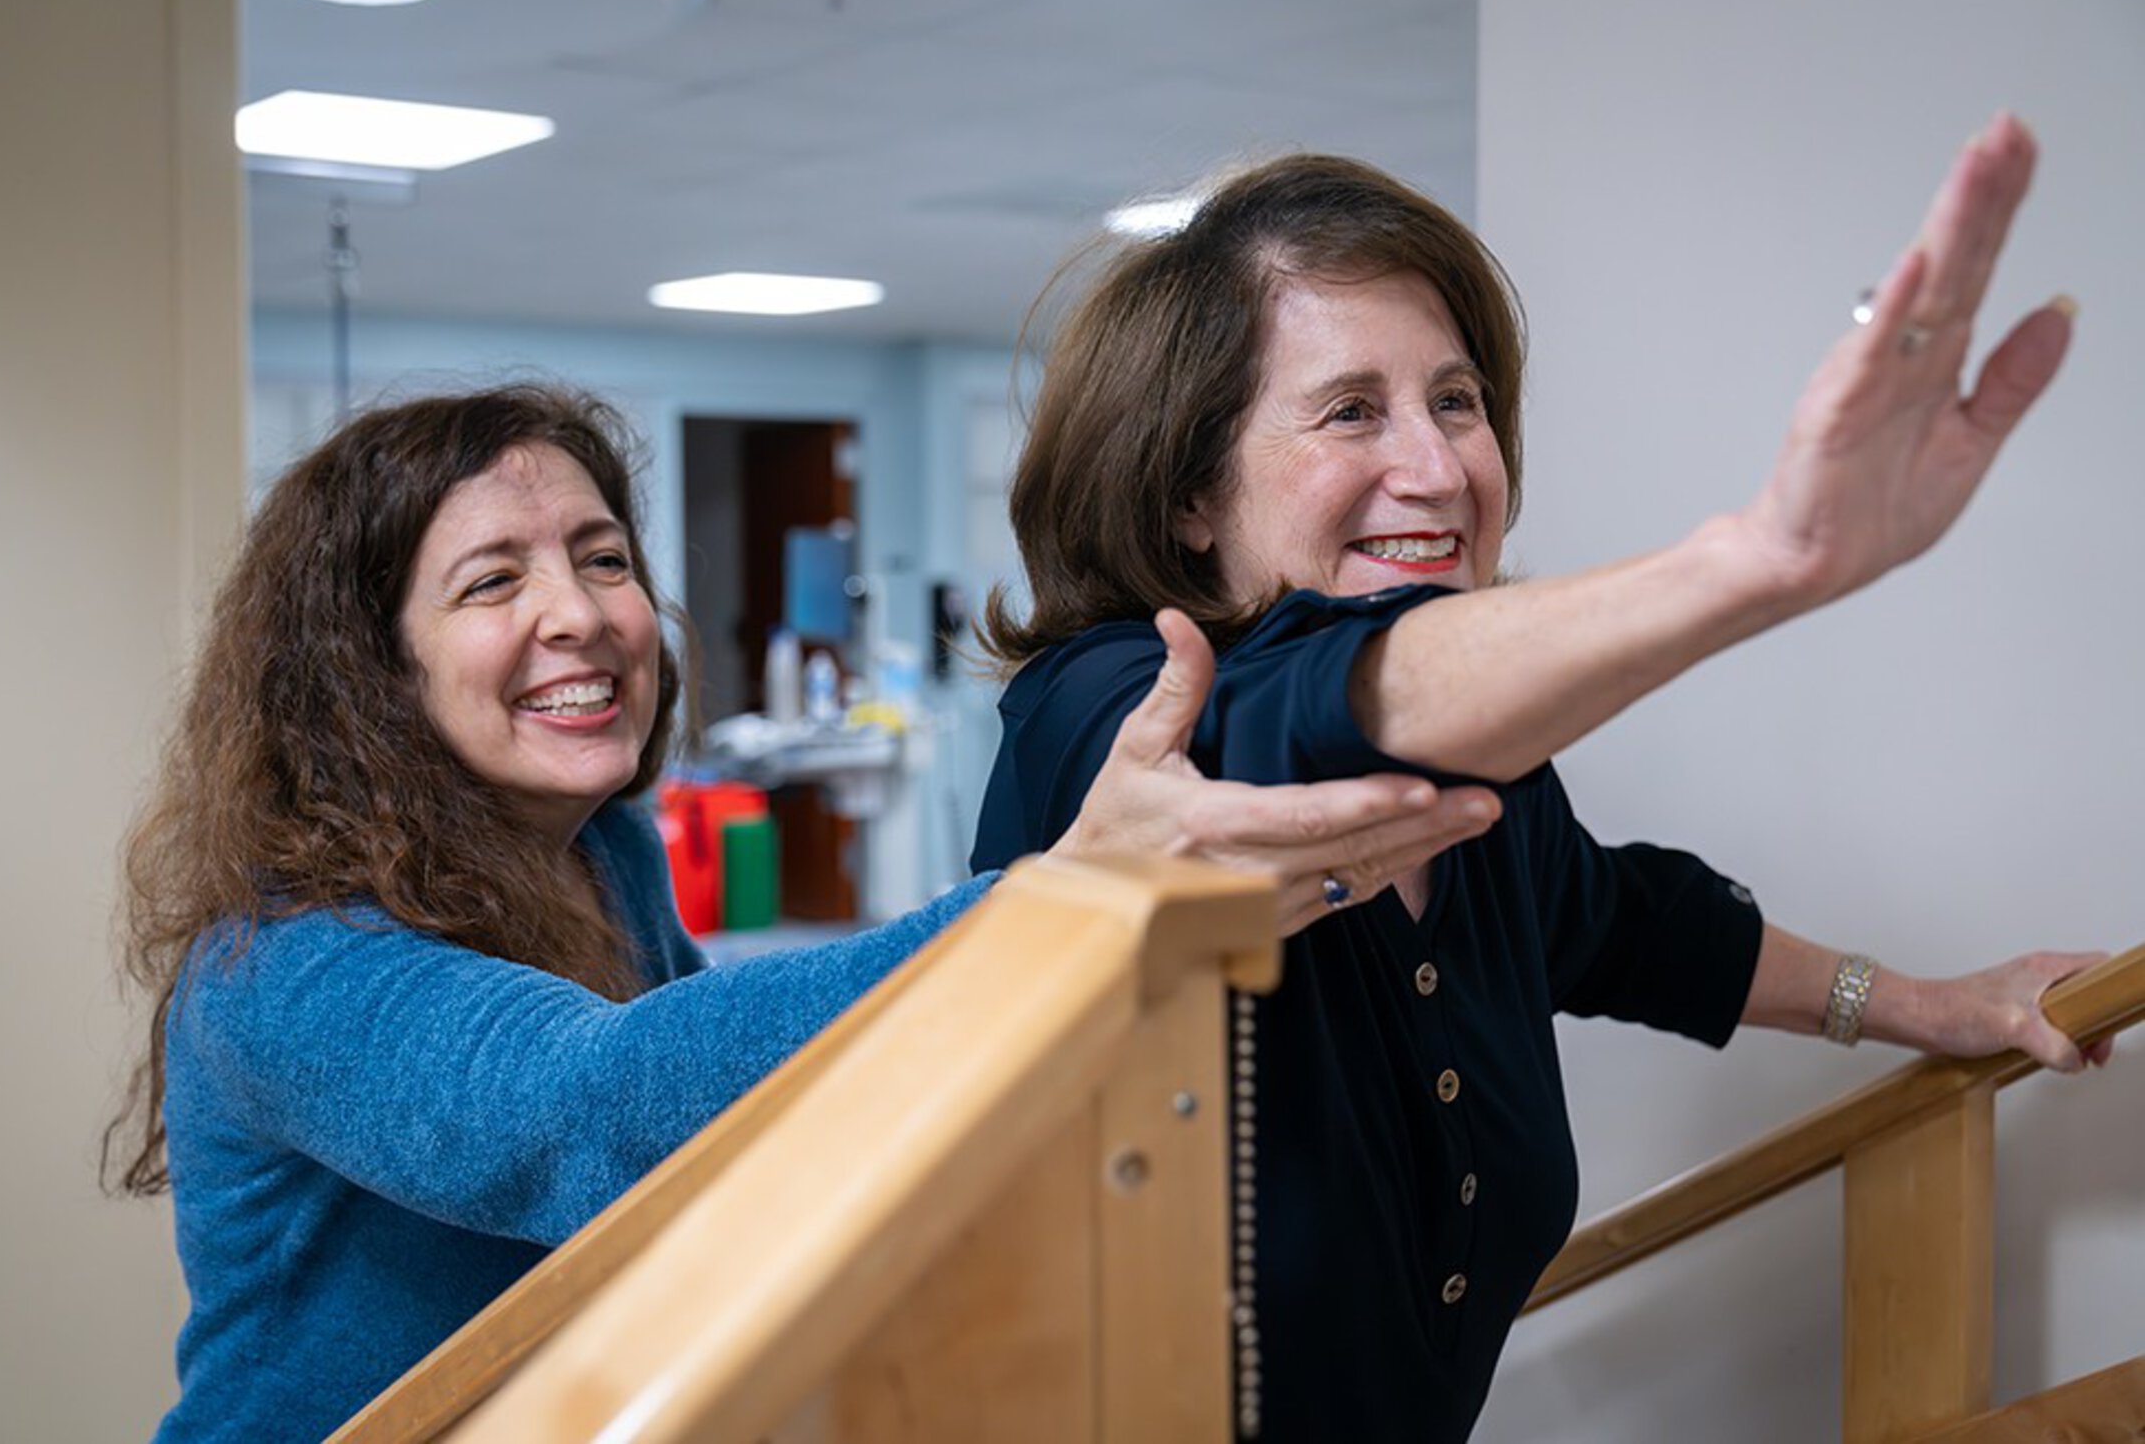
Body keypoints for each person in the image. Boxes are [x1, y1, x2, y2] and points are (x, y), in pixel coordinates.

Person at [972, 119, 2111, 1442]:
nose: (1441, 467)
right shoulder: (1109, 714)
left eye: (1456, 401)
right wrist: (1756, 561)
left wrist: (1937, 1005)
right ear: (1190, 494)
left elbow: (1627, 923)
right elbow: (1309, 704)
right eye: (1354, 410)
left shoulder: (1490, 791)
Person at [104, 384, 1504, 1441]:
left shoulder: (603, 855)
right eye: (493, 581)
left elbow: (741, 1122)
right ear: (367, 675)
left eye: (602, 559)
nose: (586, 615)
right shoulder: (277, 961)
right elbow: (586, 1120)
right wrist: (1052, 894)